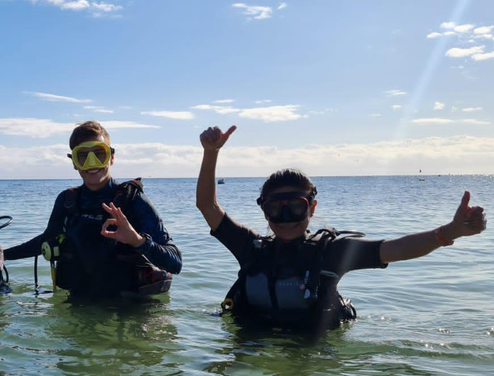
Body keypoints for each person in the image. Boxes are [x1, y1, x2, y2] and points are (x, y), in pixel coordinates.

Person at [196, 125, 487, 331]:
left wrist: (449, 232)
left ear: (312, 209)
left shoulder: (330, 254)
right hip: (253, 340)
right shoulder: (251, 249)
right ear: (264, 210)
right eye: (275, 209)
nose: (285, 218)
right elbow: (208, 207)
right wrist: (211, 153)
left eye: (296, 207)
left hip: (311, 354)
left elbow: (395, 249)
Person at [5, 121, 182, 299]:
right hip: (79, 308)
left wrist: (137, 240)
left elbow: (175, 263)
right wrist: (0, 255)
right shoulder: (67, 201)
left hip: (129, 313)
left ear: (111, 157)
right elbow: (45, 241)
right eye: (82, 156)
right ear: (74, 162)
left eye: (99, 154)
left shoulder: (133, 200)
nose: (92, 163)